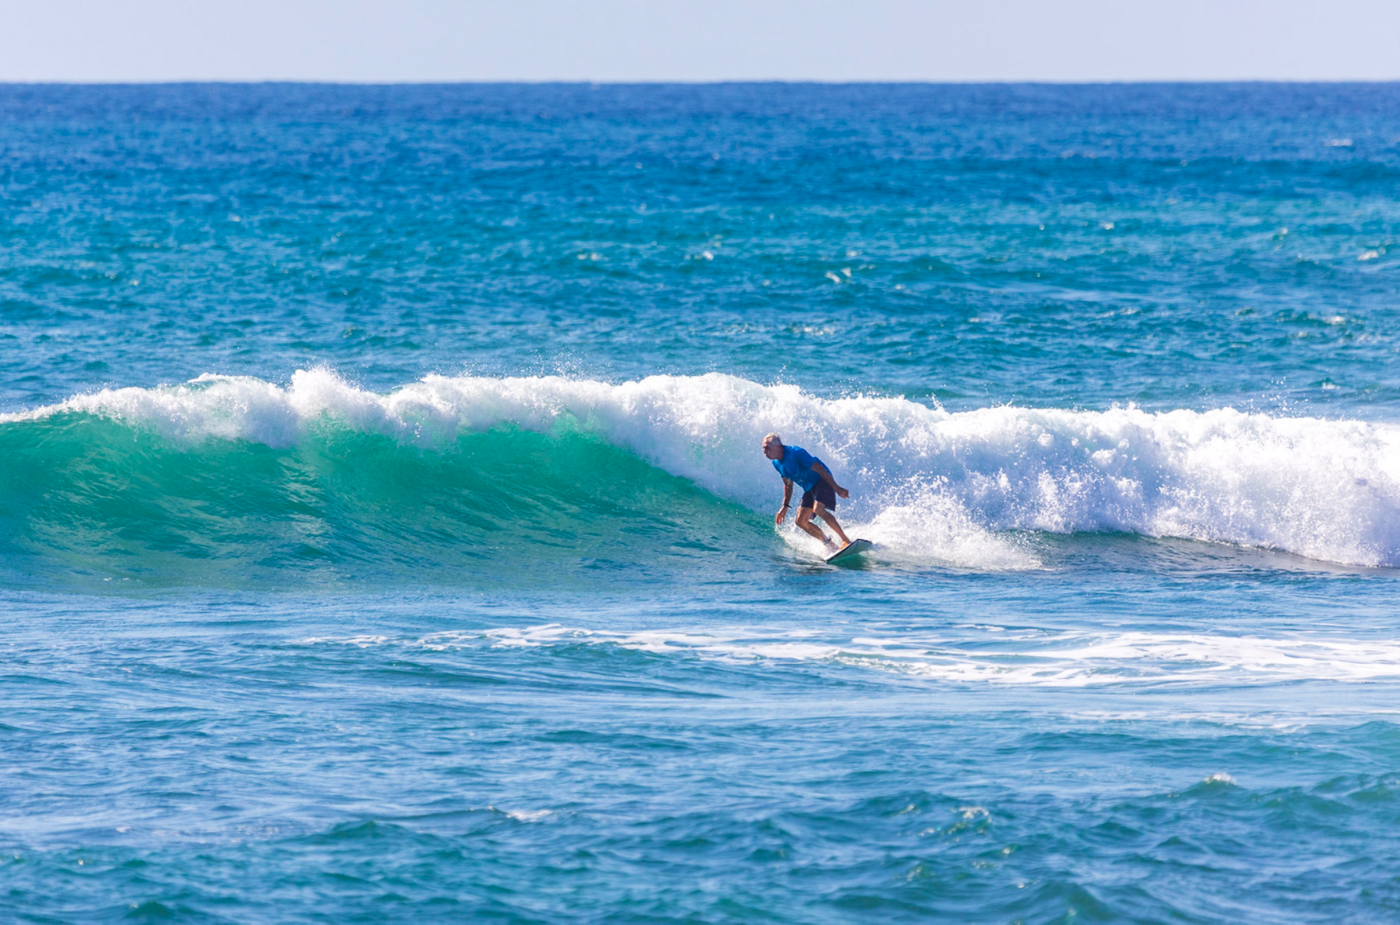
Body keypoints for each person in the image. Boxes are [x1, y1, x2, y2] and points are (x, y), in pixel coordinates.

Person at [761, 433, 852, 551]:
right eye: (763, 448)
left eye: (767, 448)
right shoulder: (776, 463)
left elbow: (820, 469)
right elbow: (788, 485)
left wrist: (836, 488)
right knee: (800, 521)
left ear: (778, 447)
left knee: (818, 509)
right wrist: (785, 506)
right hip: (809, 487)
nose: (764, 452)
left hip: (821, 479)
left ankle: (846, 540)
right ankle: (830, 545)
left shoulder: (796, 453)